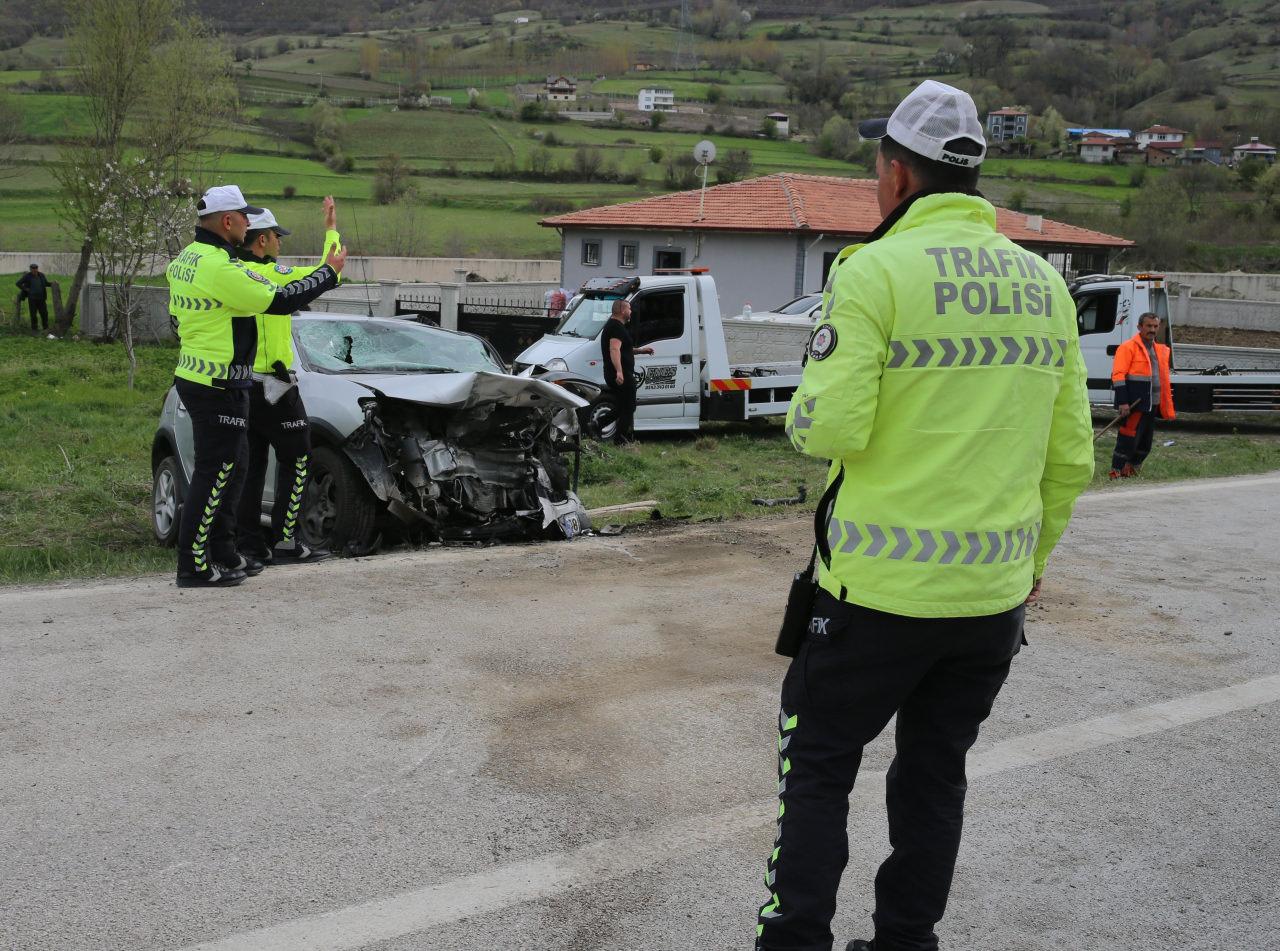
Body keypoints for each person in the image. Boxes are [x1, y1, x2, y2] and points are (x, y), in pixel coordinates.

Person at [759, 80, 1094, 951]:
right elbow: (1071, 461)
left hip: (873, 594)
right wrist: (1030, 565)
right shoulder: (1045, 288)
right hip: (988, 604)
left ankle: (794, 939)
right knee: (935, 778)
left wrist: (800, 411)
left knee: (820, 766)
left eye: (879, 163)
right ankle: (906, 942)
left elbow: (828, 426)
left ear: (900, 174)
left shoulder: (871, 271)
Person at [167, 184, 346, 588]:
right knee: (217, 474)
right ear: (227, 221)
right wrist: (330, 271)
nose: (249, 225)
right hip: (219, 382)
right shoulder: (219, 267)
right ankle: (194, 566)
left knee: (234, 470)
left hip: (206, 376)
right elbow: (280, 300)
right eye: (245, 217)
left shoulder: (186, 259)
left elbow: (179, 320)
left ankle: (225, 555)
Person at [233, 198, 342, 565]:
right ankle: (285, 542)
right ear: (261, 241)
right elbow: (329, 273)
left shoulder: (231, 275)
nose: (281, 242)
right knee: (297, 460)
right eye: (277, 236)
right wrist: (331, 231)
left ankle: (248, 545)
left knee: (249, 469)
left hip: (242, 385)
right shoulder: (273, 276)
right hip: (275, 388)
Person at [1109, 312, 1174, 479]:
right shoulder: (1128, 347)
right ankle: (1116, 470)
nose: (1152, 329)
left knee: (1145, 442)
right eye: (1148, 326)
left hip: (1153, 404)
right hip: (1134, 404)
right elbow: (1118, 375)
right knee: (1127, 439)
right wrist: (1123, 402)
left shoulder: (1160, 350)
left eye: (1155, 326)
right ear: (1140, 327)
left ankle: (1131, 470)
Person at [599, 298, 653, 443]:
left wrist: (641, 351)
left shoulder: (615, 326)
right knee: (629, 407)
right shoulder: (616, 327)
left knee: (624, 406)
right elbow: (614, 349)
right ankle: (620, 440)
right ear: (622, 311)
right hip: (619, 373)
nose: (631, 311)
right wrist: (619, 371)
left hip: (617, 372)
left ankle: (598, 424)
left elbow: (624, 349)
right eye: (629, 309)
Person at [16, 263, 51, 334]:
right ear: (30, 269)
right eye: (33, 269)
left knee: (44, 313)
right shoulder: (27, 276)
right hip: (32, 299)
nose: (34, 270)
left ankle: (46, 328)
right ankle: (34, 330)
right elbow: (18, 283)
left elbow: (46, 283)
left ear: (37, 269)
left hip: (41, 298)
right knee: (33, 314)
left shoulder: (41, 275)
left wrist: (53, 283)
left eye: (35, 268)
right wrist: (26, 289)